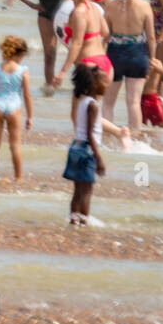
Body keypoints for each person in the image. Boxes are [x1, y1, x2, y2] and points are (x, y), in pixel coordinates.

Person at [102, 0, 160, 139]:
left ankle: (107, 139)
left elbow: (105, 35)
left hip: (115, 55)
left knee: (108, 102)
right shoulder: (144, 6)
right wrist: (153, 59)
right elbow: (151, 37)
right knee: (133, 102)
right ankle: (134, 141)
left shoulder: (110, 6)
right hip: (138, 55)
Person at [0, 35, 33, 179]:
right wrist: (29, 116)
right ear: (20, 54)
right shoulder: (23, 70)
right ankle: (19, 178)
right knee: (15, 146)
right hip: (14, 108)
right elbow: (27, 95)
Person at [65, 62, 108, 226]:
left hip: (75, 147)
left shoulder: (82, 100)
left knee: (77, 191)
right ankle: (84, 222)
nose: (107, 85)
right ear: (94, 85)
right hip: (86, 149)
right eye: (104, 82)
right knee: (87, 191)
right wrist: (99, 158)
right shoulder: (93, 105)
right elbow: (90, 134)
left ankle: (73, 220)